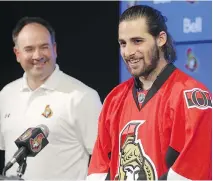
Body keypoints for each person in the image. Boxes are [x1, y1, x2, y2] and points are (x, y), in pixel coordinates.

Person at [87, 5, 212, 181]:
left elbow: (192, 171)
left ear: (160, 39)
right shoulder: (114, 100)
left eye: (137, 41)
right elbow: (99, 171)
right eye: (123, 43)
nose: (128, 52)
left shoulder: (191, 95)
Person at [0, 16, 102, 180]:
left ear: (55, 49)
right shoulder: (6, 95)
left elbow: (103, 161)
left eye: (44, 47)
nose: (37, 55)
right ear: (17, 54)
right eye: (29, 49)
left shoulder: (82, 97)